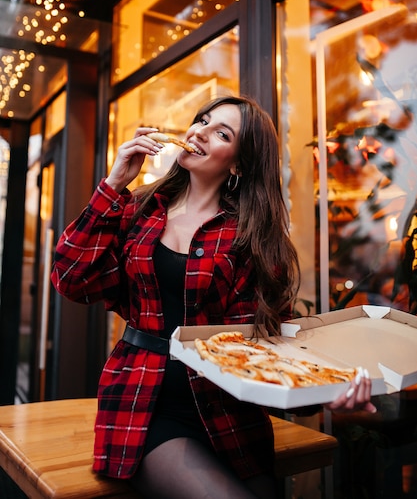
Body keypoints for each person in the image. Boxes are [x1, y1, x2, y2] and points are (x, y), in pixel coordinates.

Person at [51, 94, 376, 499]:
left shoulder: (251, 237)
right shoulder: (136, 209)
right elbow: (70, 279)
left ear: (238, 162)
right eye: (201, 121)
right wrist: (115, 183)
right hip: (145, 408)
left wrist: (329, 396)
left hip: (228, 416)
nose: (199, 132)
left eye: (221, 132)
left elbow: (270, 346)